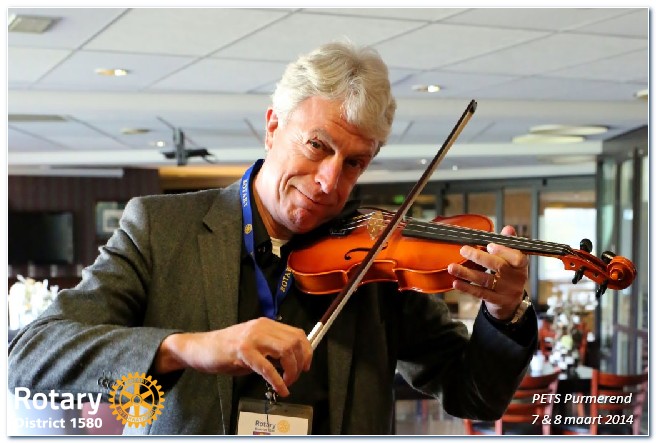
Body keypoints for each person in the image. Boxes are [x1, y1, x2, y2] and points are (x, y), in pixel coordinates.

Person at [8, 41, 537, 435]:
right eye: (317, 147)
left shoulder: (376, 257)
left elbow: (475, 397)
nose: (330, 181)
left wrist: (504, 313)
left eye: (355, 163)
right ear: (272, 126)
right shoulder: (159, 228)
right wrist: (188, 348)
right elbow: (30, 357)